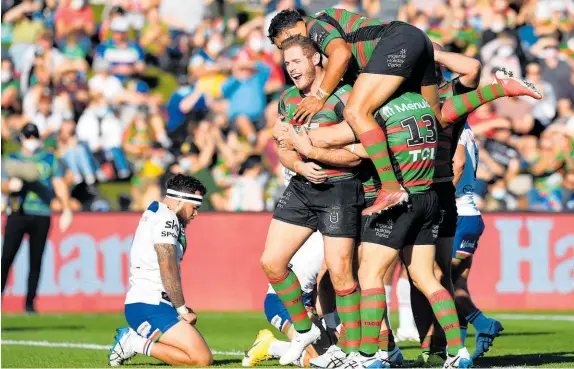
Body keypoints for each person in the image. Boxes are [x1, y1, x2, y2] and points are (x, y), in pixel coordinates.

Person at [268, 8, 440, 214]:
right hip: (418, 40)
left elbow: (341, 54)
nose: (288, 49)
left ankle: (391, 187)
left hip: (398, 43)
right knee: (435, 117)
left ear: (289, 34)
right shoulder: (327, 25)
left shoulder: (313, 24)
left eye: (284, 43)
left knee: (355, 112)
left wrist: (319, 97)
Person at [260, 35, 365, 366]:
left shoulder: (344, 98)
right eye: (287, 63)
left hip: (339, 189)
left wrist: (314, 152)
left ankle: (356, 353)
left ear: (316, 59)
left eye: (296, 61)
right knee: (271, 263)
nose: (291, 68)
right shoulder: (288, 100)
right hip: (303, 187)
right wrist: (299, 163)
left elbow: (360, 155)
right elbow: (284, 147)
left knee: (340, 274)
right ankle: (304, 330)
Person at [108, 174, 212, 367]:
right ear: (180, 201)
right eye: (194, 207)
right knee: (201, 359)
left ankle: (136, 342)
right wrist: (182, 309)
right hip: (149, 304)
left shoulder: (159, 213)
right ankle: (134, 343)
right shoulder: (167, 218)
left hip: (151, 303)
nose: (195, 214)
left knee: (198, 356)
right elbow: (167, 265)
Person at [1, 123, 73, 313]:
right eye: (29, 137)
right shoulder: (12, 158)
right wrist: (10, 187)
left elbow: (58, 182)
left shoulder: (49, 159)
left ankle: (30, 303)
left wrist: (66, 208)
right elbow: (3, 183)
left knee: (36, 260)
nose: (32, 140)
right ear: (23, 138)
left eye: (34, 137)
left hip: (41, 213)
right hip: (18, 212)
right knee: (6, 257)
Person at [452, 123, 504, 359]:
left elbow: (458, 164)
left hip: (458, 214)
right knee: (458, 283)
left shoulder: (453, 128)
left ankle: (483, 323)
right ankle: (459, 349)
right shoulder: (468, 129)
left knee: (436, 280)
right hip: (470, 213)